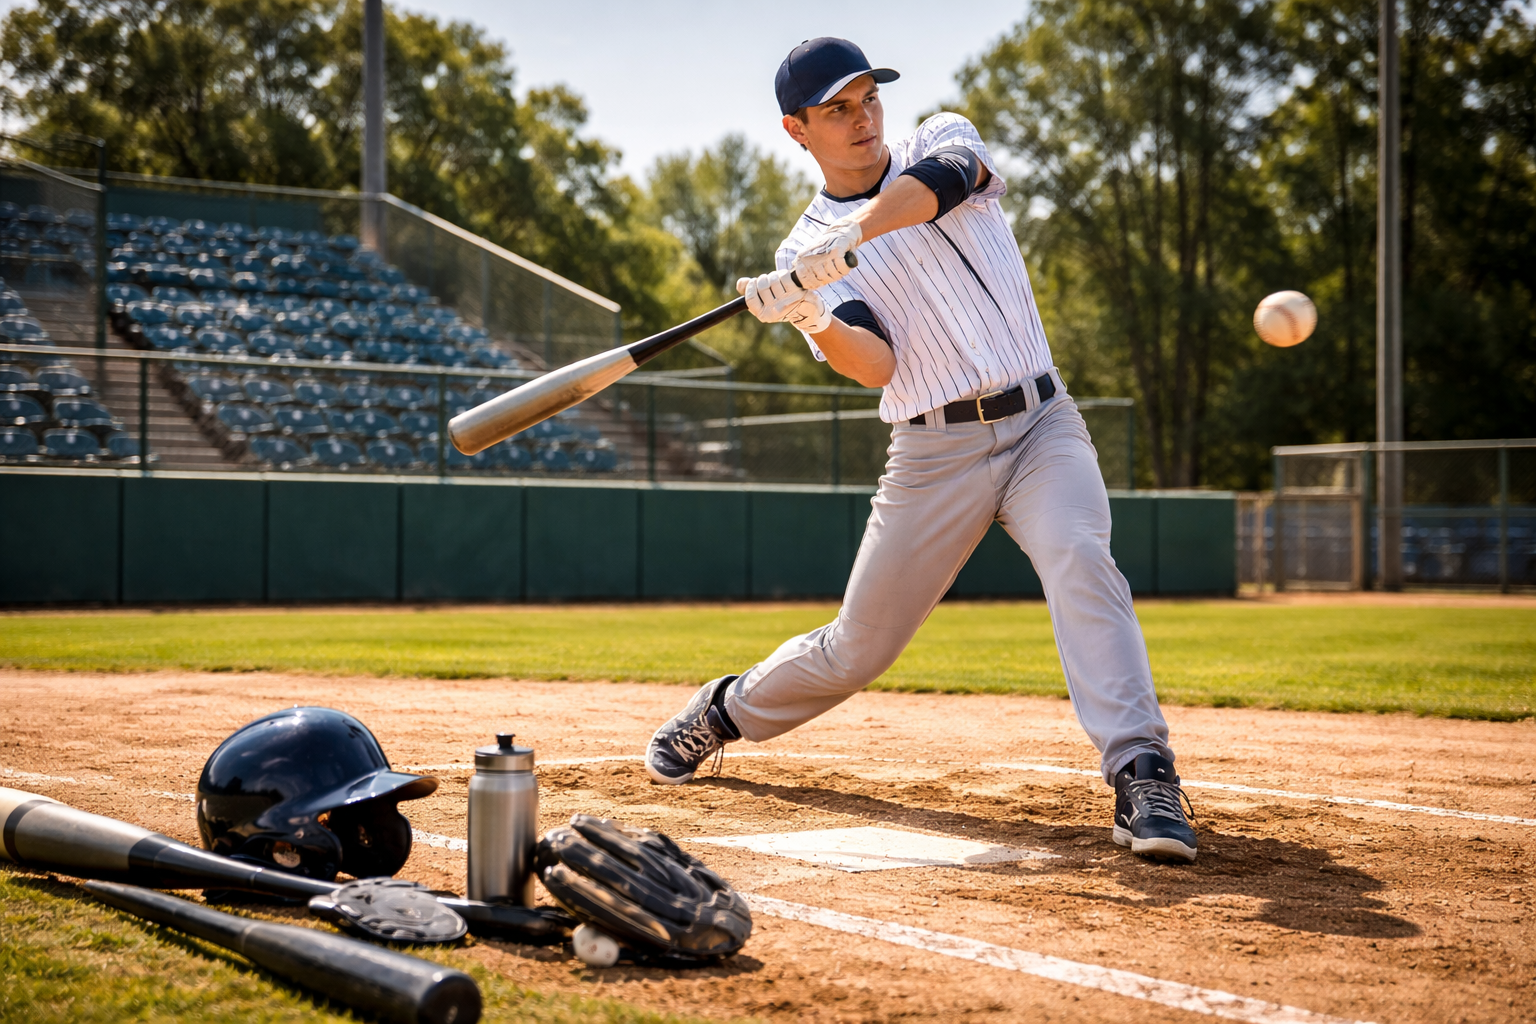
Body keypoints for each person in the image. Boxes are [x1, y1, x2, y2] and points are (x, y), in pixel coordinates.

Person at [645, 37, 1198, 863]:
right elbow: (877, 365)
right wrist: (809, 312)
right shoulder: (802, 254)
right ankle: (725, 710)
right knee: (857, 648)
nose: (862, 117)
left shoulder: (941, 136)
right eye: (837, 108)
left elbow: (942, 188)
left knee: (1080, 556)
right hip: (934, 451)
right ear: (796, 129)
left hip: (1044, 422)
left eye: (868, 96)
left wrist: (854, 234)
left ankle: (1143, 771)